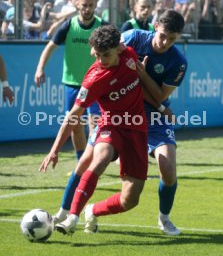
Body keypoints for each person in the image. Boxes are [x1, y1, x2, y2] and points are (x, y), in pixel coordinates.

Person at [39, 25, 149, 236]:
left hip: (136, 128)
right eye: (97, 54)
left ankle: (93, 209)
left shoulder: (129, 53)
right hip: (110, 125)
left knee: (130, 199)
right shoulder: (94, 78)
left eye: (105, 55)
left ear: (119, 48)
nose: (100, 60)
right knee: (98, 160)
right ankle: (72, 217)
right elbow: (73, 115)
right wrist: (54, 150)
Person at [121, 9, 188, 235]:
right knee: (94, 159)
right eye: (163, 35)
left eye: (173, 39)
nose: (166, 43)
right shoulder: (133, 38)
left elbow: (159, 95)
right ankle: (68, 214)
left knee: (168, 170)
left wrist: (140, 74)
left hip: (155, 117)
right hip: (123, 110)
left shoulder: (178, 62)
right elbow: (104, 57)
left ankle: (164, 218)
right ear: (156, 25)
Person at [34, 0, 106, 175]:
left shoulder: (102, 26)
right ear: (77, 5)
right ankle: (81, 163)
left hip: (96, 84)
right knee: (74, 126)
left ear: (95, 6)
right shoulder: (69, 25)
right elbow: (50, 47)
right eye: (84, 5)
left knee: (94, 125)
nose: (87, 9)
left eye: (91, 5)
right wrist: (40, 68)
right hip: (73, 84)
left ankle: (92, 164)